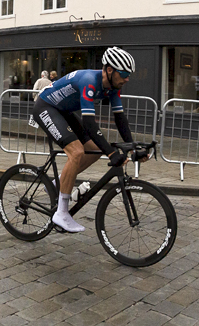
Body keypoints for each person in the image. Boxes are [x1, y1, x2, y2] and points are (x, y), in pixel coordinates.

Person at [34, 47, 137, 233]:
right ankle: (62, 213)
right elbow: (90, 124)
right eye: (124, 74)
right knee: (77, 151)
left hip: (63, 111)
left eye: (129, 74)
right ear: (110, 70)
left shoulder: (113, 88)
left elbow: (120, 119)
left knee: (95, 150)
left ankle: (59, 182)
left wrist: (132, 147)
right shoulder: (89, 80)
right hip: (45, 107)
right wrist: (112, 153)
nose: (127, 78)